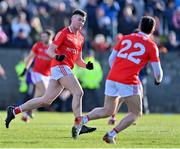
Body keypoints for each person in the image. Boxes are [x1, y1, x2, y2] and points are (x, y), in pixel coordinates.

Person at [5, 9, 96, 139]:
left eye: (83, 20)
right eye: (79, 19)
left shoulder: (81, 38)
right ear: (72, 19)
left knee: (46, 100)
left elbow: (78, 60)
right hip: (60, 67)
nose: (81, 22)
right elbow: (50, 50)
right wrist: (56, 57)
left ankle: (14, 111)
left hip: (62, 68)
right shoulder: (63, 33)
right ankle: (78, 125)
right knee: (78, 92)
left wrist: (86, 65)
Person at [81, 16, 163, 144]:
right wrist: (158, 80)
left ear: (140, 26)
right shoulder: (151, 45)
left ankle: (81, 120)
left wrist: (118, 70)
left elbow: (111, 59)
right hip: (128, 79)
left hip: (112, 77)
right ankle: (111, 134)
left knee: (107, 110)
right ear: (153, 30)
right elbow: (157, 72)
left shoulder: (125, 38)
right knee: (136, 113)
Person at [18, 30, 54, 122]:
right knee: (46, 93)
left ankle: (26, 113)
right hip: (36, 73)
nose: (42, 38)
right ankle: (26, 111)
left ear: (50, 37)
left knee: (38, 96)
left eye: (44, 37)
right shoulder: (37, 45)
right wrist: (25, 69)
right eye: (42, 36)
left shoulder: (53, 47)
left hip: (47, 75)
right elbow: (30, 57)